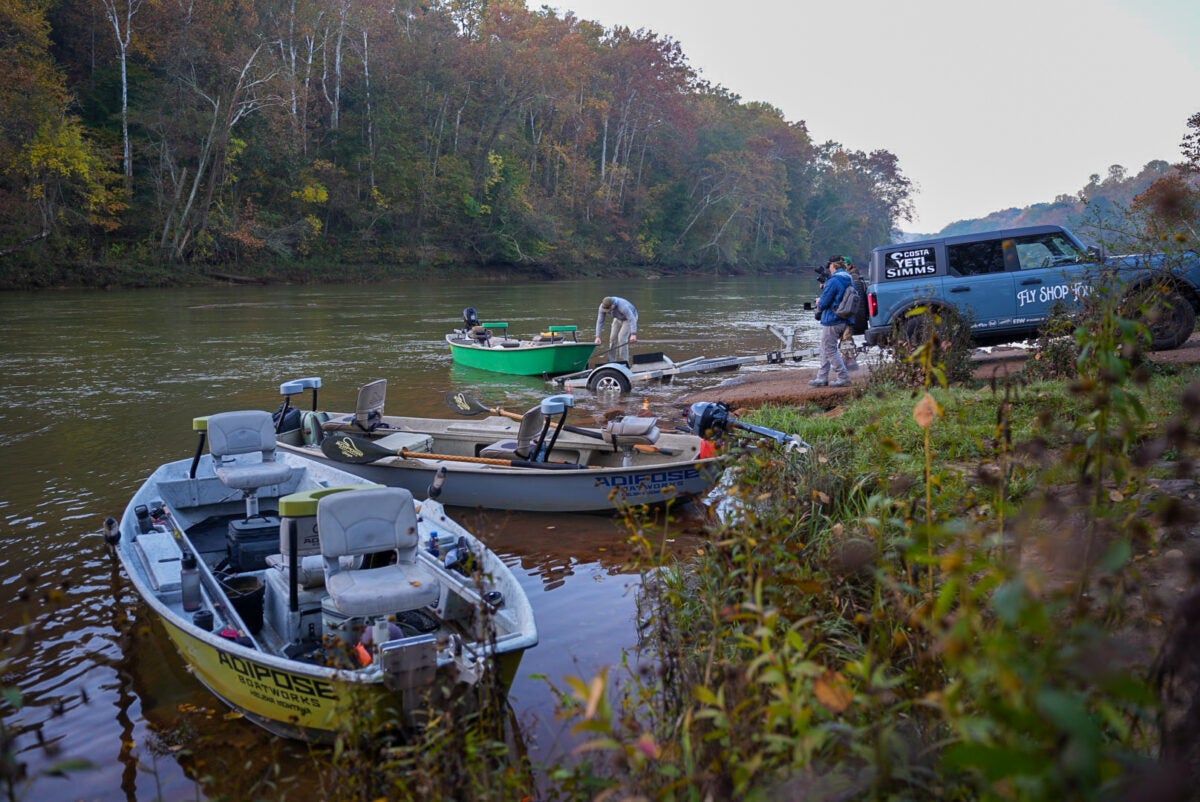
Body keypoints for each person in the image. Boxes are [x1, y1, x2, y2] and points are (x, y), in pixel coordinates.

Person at [810, 257, 854, 387]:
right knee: (825, 348)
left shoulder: (834, 280)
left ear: (833, 266)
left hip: (833, 319)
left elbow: (824, 303)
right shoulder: (848, 278)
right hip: (843, 318)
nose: (828, 268)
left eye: (829, 265)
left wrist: (818, 300)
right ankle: (822, 378)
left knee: (829, 350)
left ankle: (844, 377)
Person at [595, 296, 638, 363]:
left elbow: (632, 319)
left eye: (609, 309)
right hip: (618, 318)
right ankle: (611, 361)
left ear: (613, 305)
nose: (607, 311)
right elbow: (600, 321)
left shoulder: (623, 306)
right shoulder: (602, 307)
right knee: (612, 338)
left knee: (621, 338)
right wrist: (598, 336)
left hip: (629, 319)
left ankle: (624, 362)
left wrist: (633, 334)